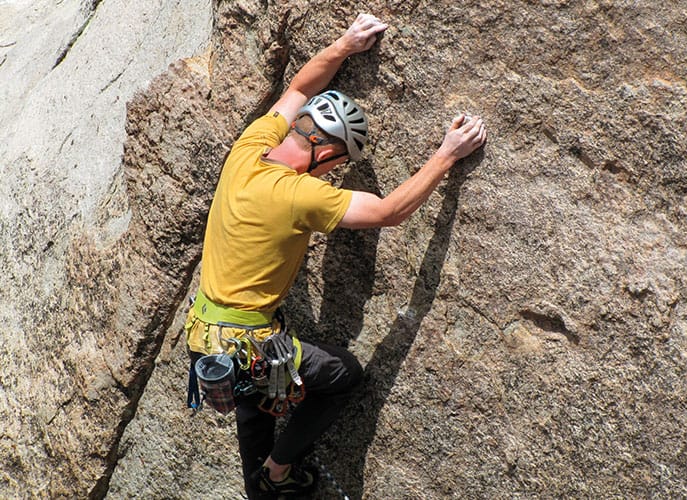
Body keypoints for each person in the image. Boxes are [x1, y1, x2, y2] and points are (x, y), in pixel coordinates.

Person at [184, 13, 487, 499]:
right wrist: (447, 153)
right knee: (344, 373)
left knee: (256, 430)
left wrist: (345, 44)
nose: (334, 173)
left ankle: (266, 482)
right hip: (248, 346)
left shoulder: (250, 145)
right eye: (339, 163)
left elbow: (298, 90)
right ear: (324, 152)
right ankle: (280, 470)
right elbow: (389, 212)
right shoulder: (300, 194)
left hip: (205, 337)